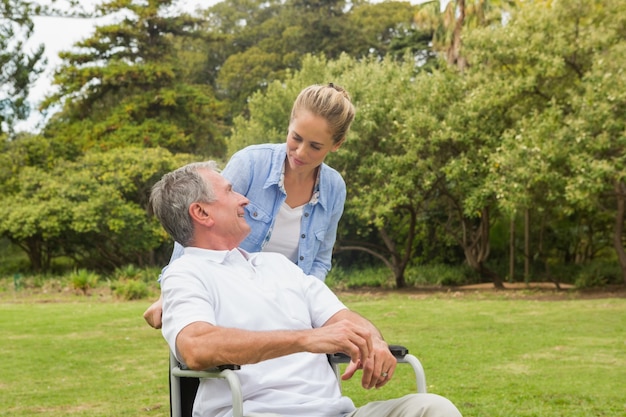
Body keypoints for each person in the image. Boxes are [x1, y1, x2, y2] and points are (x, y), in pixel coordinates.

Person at [150, 161, 463, 417]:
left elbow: (344, 319)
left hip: (337, 413)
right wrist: (307, 339)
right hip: (258, 413)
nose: (244, 199)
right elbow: (196, 347)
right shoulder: (186, 274)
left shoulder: (278, 265)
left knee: (433, 409)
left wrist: (373, 340)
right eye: (230, 191)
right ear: (201, 213)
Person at [143, 83, 355, 329]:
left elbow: (320, 260)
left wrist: (308, 304)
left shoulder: (334, 188)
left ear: (336, 144)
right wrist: (169, 292)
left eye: (315, 146)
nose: (300, 151)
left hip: (286, 310)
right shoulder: (251, 163)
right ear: (289, 125)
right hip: (232, 302)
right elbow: (196, 225)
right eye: (295, 138)